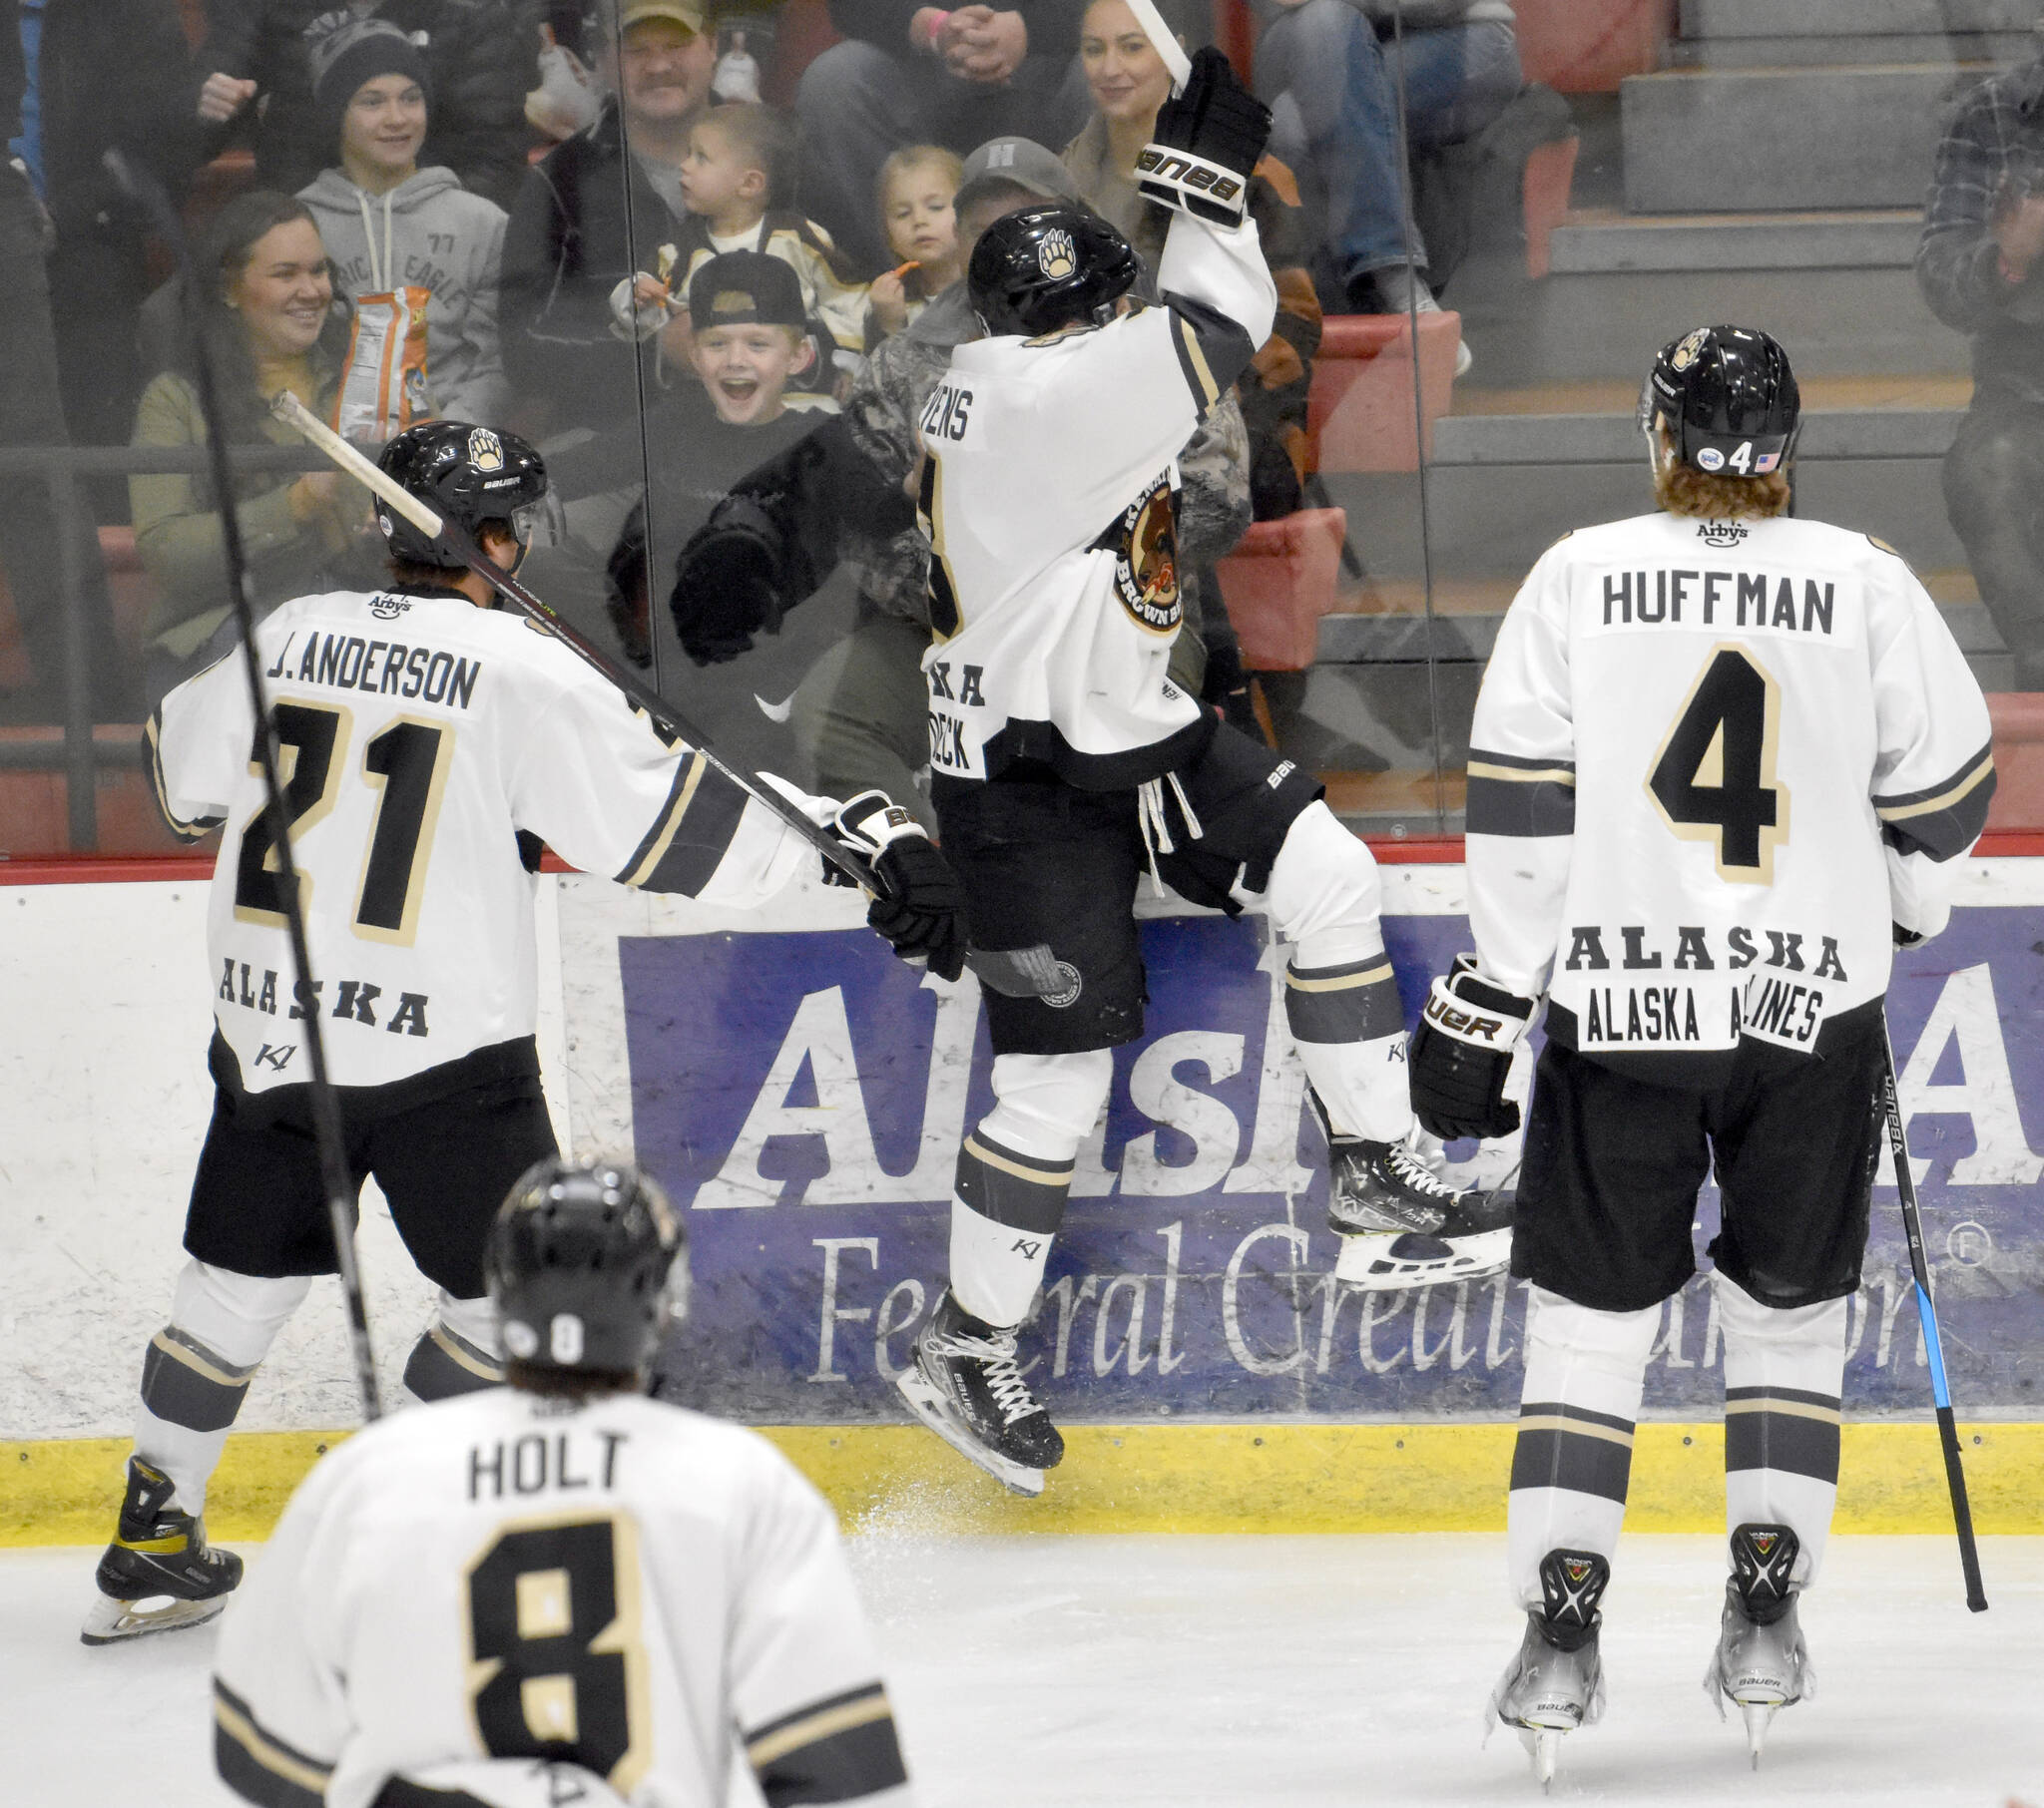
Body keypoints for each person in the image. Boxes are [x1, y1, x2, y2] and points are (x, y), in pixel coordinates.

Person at [679, 56, 1512, 1498]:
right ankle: (967, 1338)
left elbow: (843, 465)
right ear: (1069, 320)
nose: (1105, 317)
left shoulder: (983, 377)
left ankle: (1375, 1174)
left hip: (1132, 733)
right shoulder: (1061, 394)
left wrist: (1194, 196)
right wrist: (1208, 188)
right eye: (1097, 302)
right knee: (1056, 1077)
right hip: (1023, 779)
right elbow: (1228, 313)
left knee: (1327, 874)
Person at [83, 417, 966, 1644]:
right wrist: (856, 841)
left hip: (272, 1040)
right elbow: (678, 842)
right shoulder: (523, 670)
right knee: (519, 1305)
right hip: (446, 1058)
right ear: (495, 538)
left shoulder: (284, 634)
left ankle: (152, 1530)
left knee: (229, 1292)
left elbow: (178, 783)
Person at [1405, 326, 1996, 1783]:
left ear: (1655, 433)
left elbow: (1525, 808)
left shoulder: (1576, 575)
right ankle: (1768, 1612)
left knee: (1589, 1331)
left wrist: (1495, 986)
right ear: (1791, 445)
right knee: (1790, 1318)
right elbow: (1951, 789)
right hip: (1812, 1018)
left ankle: (1560, 1628)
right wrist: (1899, 909)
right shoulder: (1863, 578)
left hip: (1621, 1012)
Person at [211, 1157, 916, 1807]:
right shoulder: (737, 1484)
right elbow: (838, 1769)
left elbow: (266, 1760)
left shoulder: (367, 1482)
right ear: (663, 1306)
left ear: (505, 1297)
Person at [763, 136, 1254, 838]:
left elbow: (1220, 498)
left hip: (1123, 617)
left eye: (1033, 220)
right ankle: (928, 877)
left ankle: (1115, 876)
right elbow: (860, 526)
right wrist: (979, 599)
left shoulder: (1153, 341)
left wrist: (1064, 575)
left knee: (1111, 718)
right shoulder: (901, 362)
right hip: (948, 633)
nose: (1010, 243)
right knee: (833, 712)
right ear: (960, 241)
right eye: (986, 227)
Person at [1062, 0, 1318, 520]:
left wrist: (1222, 409)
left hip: (1229, 426)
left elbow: (1295, 321)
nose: (1110, 68)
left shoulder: (1250, 177)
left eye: (1132, 46)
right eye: (1095, 49)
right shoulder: (1056, 182)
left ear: (1174, 49)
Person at [130, 190, 375, 704]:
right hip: (226, 634)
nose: (311, 291)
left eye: (319, 271)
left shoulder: (372, 380)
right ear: (229, 289)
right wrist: (297, 504)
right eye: (286, 274)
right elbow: (166, 552)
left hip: (361, 619)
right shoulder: (175, 399)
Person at [1254, 0, 1519, 367]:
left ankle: (1338, 331)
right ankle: (1395, 285)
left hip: (1452, 37)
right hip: (1313, 40)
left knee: (1295, 121)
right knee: (1323, 28)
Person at [499, 0, 716, 434]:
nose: (658, 65)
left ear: (713, 47)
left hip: (761, 447)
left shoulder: (778, 157)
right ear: (606, 62)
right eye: (636, 50)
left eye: (676, 45)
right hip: (608, 445)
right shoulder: (560, 179)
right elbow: (522, 348)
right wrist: (658, 353)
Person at [297, 18, 511, 429]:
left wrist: (445, 439)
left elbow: (496, 367)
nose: (397, 119)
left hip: (447, 447)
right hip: (329, 450)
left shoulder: (483, 224)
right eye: (372, 102)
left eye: (411, 99)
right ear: (336, 115)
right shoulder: (298, 223)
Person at [1917, 43, 2044, 690]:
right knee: (1986, 473)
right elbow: (1940, 283)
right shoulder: (1990, 115)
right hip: (2026, 389)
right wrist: (2008, 258)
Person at [793, 0, 1093, 272]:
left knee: (1110, 66)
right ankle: (905, 285)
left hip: (1055, 55)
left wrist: (1028, 30)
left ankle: (1095, 271)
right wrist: (933, 28)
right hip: (920, 52)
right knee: (834, 79)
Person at [189, 0, 543, 211]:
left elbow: (496, 160)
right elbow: (186, 138)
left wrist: (434, 225)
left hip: (432, 230)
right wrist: (205, 109)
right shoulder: (271, 7)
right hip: (303, 230)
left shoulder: (468, 12)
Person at [608, 102, 868, 373]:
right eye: (688, 154)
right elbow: (645, 322)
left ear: (749, 184)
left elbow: (850, 300)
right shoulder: (678, 249)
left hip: (797, 389)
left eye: (701, 157)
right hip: (710, 395)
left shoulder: (799, 238)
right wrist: (638, 296)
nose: (684, 166)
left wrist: (825, 353)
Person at [865, 144, 964, 344]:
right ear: (889, 236)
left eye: (935, 207)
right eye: (903, 214)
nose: (919, 220)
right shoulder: (888, 304)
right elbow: (878, 373)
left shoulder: (993, 291)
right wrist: (890, 326)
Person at [714, 23, 763, 102]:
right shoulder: (725, 60)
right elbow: (716, 83)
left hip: (746, 102)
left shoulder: (751, 62)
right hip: (723, 102)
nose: (738, 39)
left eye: (740, 37)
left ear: (744, 40)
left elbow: (755, 84)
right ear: (732, 39)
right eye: (736, 36)